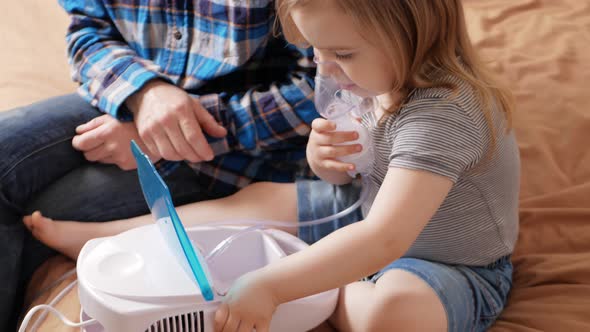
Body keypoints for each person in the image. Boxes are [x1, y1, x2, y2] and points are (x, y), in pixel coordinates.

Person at [23, 0, 520, 331]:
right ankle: (113, 235)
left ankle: (332, 280)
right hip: (365, 213)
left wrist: (272, 285)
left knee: (394, 313)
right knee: (257, 201)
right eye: (316, 52)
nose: (325, 69)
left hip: (444, 262)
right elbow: (353, 176)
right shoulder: (374, 78)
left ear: (415, 33)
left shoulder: (444, 113)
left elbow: (387, 239)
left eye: (342, 53)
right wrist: (323, 159)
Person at [1, 0, 319, 330]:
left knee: (44, 212)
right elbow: (87, 28)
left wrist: (175, 130)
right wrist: (146, 95)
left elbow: (320, 85)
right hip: (126, 97)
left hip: (237, 152)